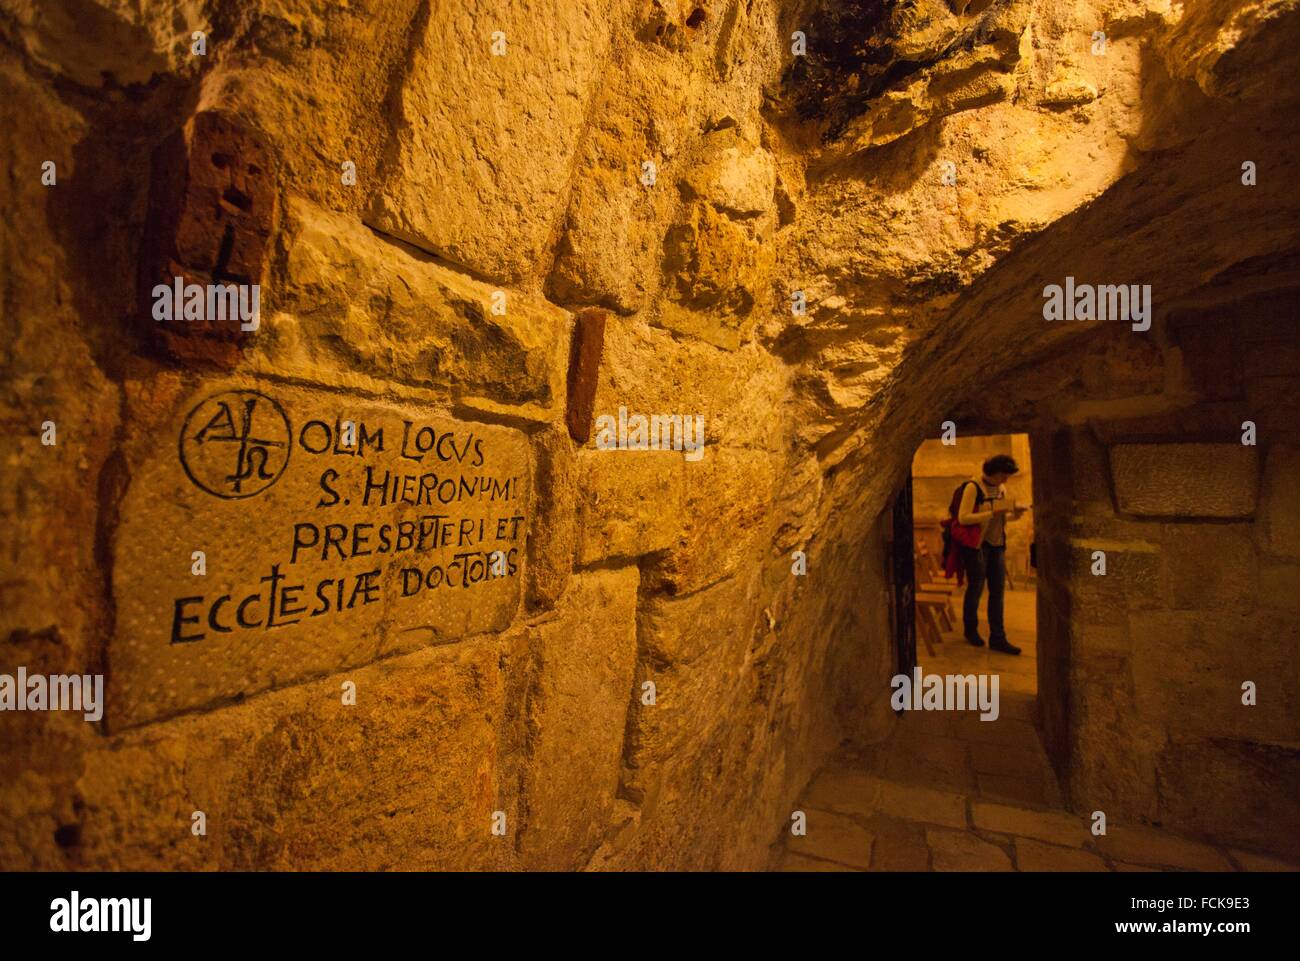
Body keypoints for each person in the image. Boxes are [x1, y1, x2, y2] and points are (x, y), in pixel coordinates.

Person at [954, 454, 1028, 654]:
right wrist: (991, 513)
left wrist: (1015, 515)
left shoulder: (1001, 488)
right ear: (993, 473)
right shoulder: (973, 487)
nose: (1006, 480)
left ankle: (998, 637)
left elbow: (1001, 518)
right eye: (1003, 475)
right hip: (977, 545)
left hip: (997, 544)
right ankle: (971, 630)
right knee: (976, 588)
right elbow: (963, 518)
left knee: (998, 592)